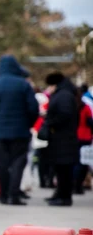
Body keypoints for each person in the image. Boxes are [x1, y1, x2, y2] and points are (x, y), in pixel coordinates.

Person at [0, 55, 39, 206]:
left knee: (2, 164)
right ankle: (14, 195)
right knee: (19, 162)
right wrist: (28, 124)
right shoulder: (24, 85)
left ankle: (4, 196)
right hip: (20, 131)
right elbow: (33, 108)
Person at [39, 73, 79, 206]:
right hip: (62, 139)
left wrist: (50, 121)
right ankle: (60, 194)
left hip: (63, 139)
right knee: (61, 169)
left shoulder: (63, 96)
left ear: (54, 84)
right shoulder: (65, 94)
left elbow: (64, 114)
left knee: (64, 170)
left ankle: (64, 196)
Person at [76, 84, 93, 194]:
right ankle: (79, 184)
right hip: (85, 136)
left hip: (75, 136)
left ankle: (75, 184)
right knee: (83, 163)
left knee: (75, 161)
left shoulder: (73, 106)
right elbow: (90, 122)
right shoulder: (86, 107)